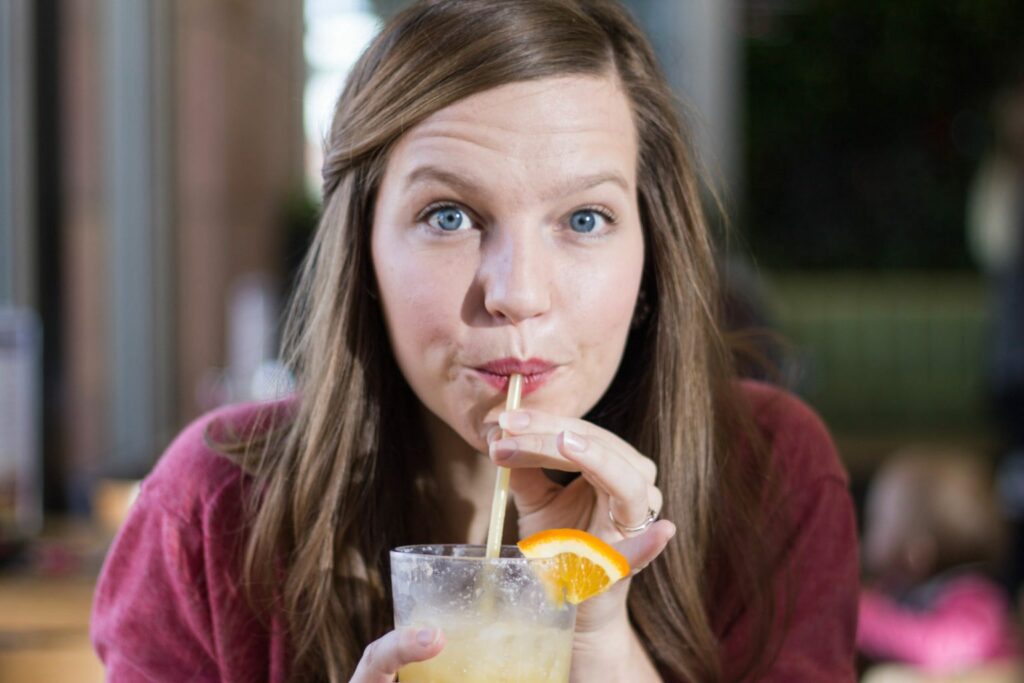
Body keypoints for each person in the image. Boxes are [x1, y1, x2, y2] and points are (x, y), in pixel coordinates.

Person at [90, 1, 859, 681]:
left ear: (651, 255)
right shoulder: (213, 515)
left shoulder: (767, 478)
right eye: (449, 215)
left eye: (584, 219)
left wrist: (598, 638)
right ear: (363, 249)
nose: (518, 292)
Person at [858, 447, 1020, 681]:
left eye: (877, 520)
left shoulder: (975, 598)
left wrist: (868, 620)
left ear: (916, 553)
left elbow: (948, 654)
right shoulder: (895, 591)